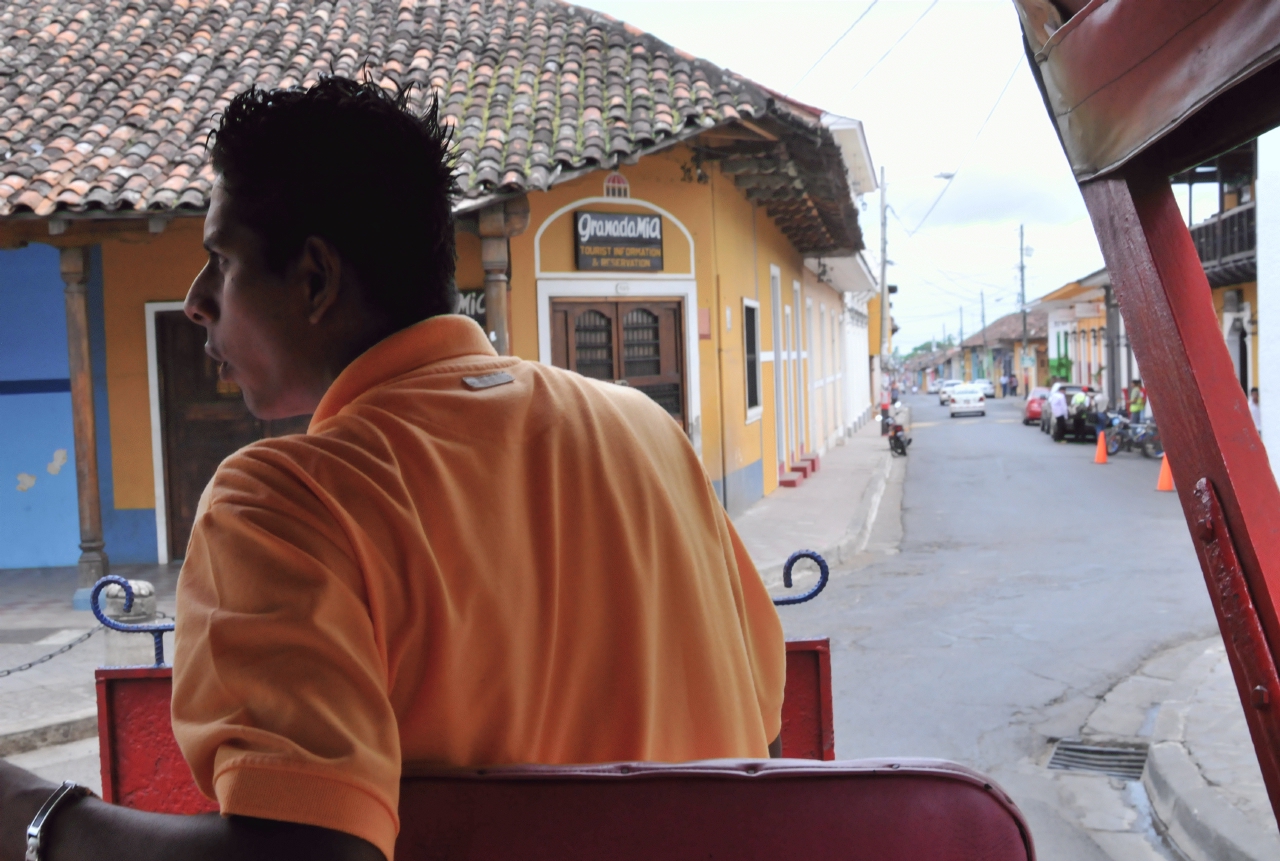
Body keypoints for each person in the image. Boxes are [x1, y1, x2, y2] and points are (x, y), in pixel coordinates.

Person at [0, 79, 785, 861]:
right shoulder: (649, 432)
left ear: (315, 278)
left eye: (222, 260)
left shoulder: (281, 504)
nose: (198, 301)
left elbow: (309, 852)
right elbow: (767, 718)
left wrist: (33, 814)